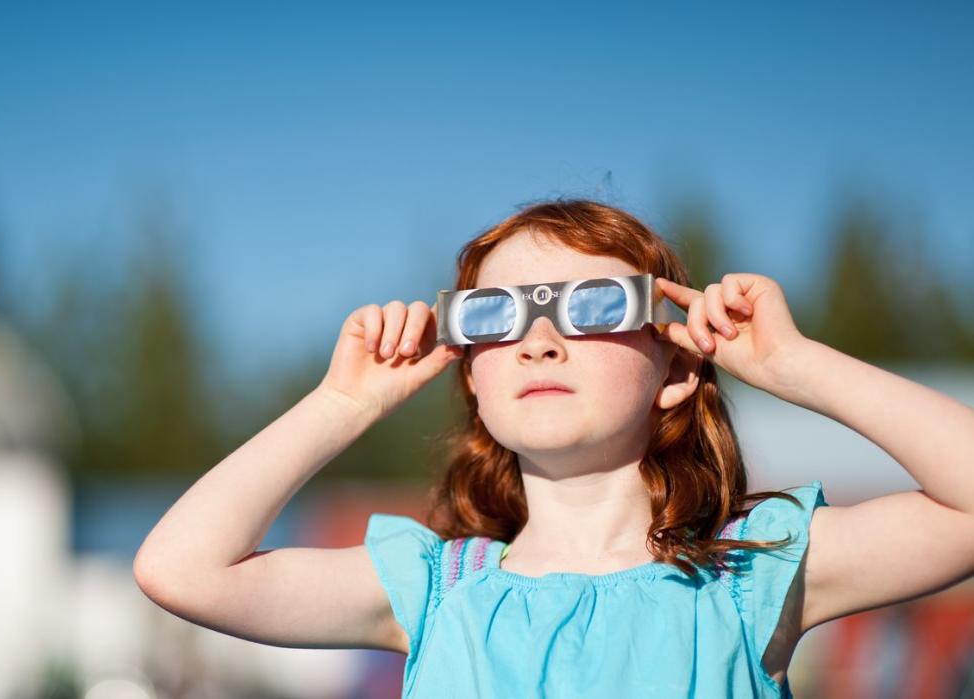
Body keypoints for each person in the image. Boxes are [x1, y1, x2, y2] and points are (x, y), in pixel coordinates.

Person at [133, 199, 974, 698]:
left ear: (676, 368)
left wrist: (798, 365)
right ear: (473, 378)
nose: (539, 339)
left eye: (595, 306)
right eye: (495, 315)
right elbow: (182, 568)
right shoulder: (431, 592)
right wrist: (340, 404)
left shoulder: (748, 576)